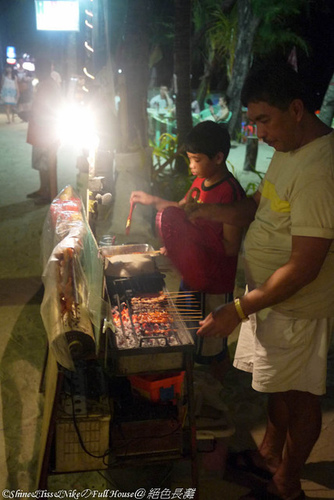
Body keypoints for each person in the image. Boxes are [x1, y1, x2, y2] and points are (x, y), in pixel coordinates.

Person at [191, 61, 334, 500]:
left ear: (296, 109)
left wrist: (235, 311)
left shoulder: (319, 168)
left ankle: (288, 482)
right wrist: (203, 212)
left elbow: (305, 266)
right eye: (253, 122)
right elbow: (258, 206)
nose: (260, 133)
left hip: (297, 307)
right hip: (268, 299)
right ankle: (270, 454)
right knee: (276, 386)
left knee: (301, 396)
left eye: (264, 120)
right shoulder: (289, 149)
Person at [130, 121, 245, 377]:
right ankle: (201, 380)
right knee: (189, 331)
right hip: (192, 274)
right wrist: (152, 201)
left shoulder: (230, 193)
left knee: (210, 339)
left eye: (196, 159)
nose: (191, 165)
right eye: (189, 159)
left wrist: (188, 239)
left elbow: (230, 246)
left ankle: (221, 385)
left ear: (218, 157)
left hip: (215, 281)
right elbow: (181, 211)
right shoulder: (200, 183)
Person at [26, 57, 62, 204]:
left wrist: (31, 113)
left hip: (45, 131)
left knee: (46, 162)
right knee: (41, 163)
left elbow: (46, 109)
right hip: (41, 130)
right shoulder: (46, 84)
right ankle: (43, 189)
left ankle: (48, 193)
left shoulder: (48, 86)